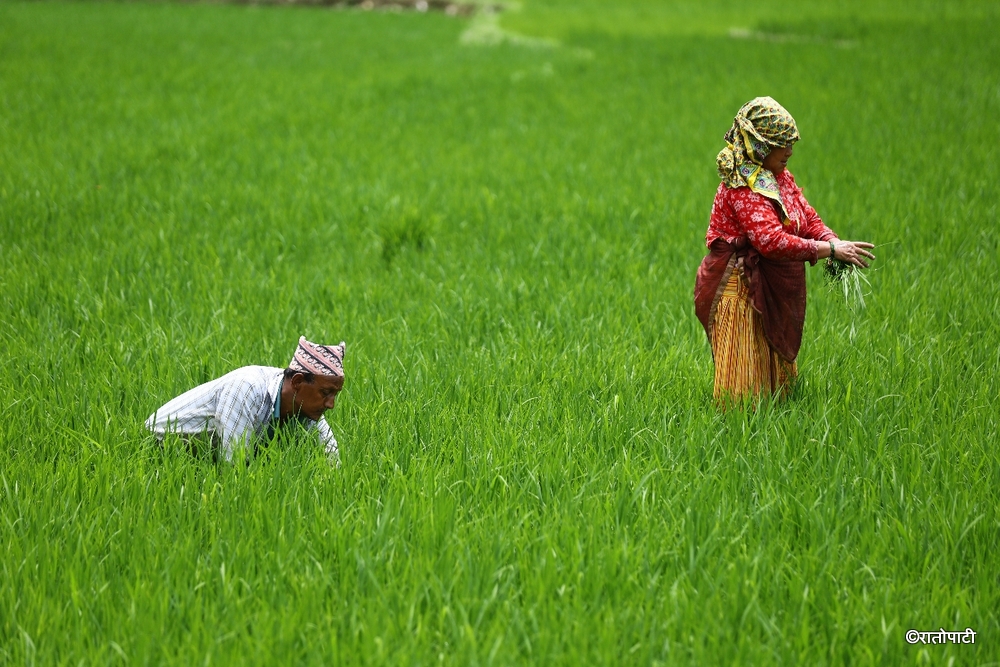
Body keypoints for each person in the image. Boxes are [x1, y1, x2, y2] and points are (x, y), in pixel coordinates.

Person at [694, 97, 874, 402]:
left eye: (791, 142)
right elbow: (771, 242)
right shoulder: (742, 186)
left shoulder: (777, 177)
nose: (789, 150)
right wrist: (828, 250)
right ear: (760, 146)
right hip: (738, 287)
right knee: (744, 390)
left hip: (767, 281)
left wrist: (833, 241)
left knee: (777, 391)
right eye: (782, 143)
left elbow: (806, 218)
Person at [146, 336, 346, 462]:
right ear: (297, 381)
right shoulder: (246, 388)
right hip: (158, 449)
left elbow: (332, 458)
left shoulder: (304, 407)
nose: (331, 404)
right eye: (325, 393)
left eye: (334, 395)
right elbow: (235, 467)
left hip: (203, 457)